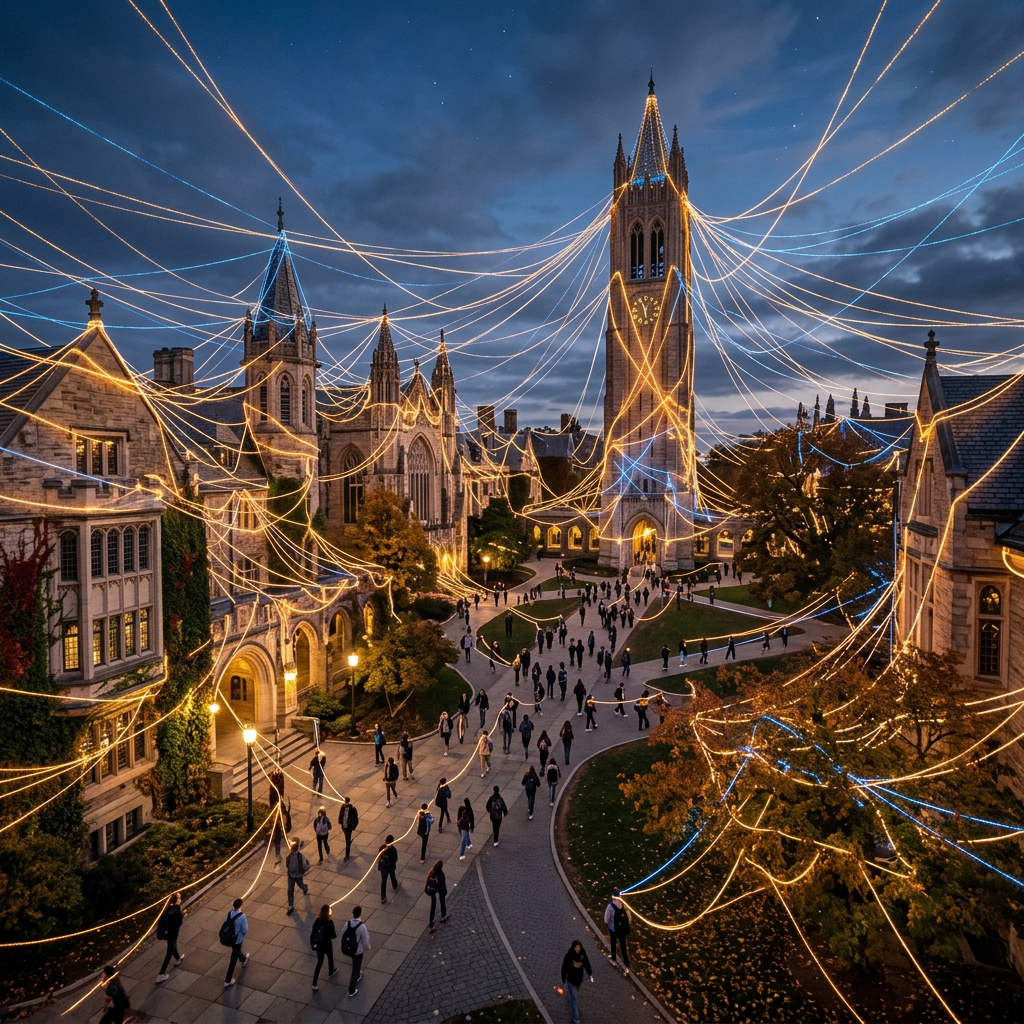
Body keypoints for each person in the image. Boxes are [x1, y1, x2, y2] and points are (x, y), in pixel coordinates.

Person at [558, 939, 594, 1024]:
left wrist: (590, 974)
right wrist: (563, 980)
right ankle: (576, 1019)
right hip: (571, 980)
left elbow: (586, 963)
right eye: (576, 947)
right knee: (574, 1001)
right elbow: (564, 968)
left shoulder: (582, 955)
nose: (577, 949)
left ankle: (570, 996)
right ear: (573, 947)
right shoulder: (569, 956)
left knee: (573, 995)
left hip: (579, 980)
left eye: (579, 947)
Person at [341, 906, 370, 997]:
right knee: (355, 967)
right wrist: (367, 947)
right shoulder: (362, 926)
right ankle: (351, 990)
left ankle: (358, 975)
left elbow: (342, 933)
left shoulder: (347, 923)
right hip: (358, 950)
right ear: (360, 914)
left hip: (350, 948)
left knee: (355, 963)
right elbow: (365, 940)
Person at [154, 892, 184, 982]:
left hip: (167, 933)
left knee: (173, 945)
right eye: (179, 897)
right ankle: (161, 974)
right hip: (172, 933)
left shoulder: (169, 909)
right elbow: (179, 922)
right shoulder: (176, 911)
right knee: (169, 952)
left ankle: (178, 958)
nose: (180, 899)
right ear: (178, 900)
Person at [222, 897, 249, 988]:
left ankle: (243, 959)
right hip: (237, 939)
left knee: (236, 950)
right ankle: (228, 980)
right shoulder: (242, 916)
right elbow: (245, 929)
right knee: (233, 959)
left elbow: (225, 923)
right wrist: (241, 935)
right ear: (240, 906)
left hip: (230, 938)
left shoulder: (229, 913)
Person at [310, 904, 338, 991]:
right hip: (327, 944)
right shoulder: (330, 922)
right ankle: (331, 970)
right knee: (330, 956)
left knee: (319, 962)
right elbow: (333, 936)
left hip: (319, 945)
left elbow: (313, 929)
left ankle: (314, 983)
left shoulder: (317, 920)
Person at [604, 891, 632, 973]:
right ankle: (627, 964)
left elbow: (606, 920)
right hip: (622, 930)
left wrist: (608, 923)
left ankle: (613, 959)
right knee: (623, 946)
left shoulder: (610, 906)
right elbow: (629, 917)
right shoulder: (624, 905)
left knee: (613, 944)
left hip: (613, 929)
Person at [286, 839, 310, 914]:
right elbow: (287, 864)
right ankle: (291, 905)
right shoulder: (289, 856)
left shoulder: (300, 856)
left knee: (301, 885)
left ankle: (305, 888)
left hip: (298, 875)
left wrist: (303, 870)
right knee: (290, 889)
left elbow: (304, 864)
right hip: (291, 875)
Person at [425, 859, 449, 933]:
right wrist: (444, 892)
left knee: (433, 905)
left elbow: (427, 882)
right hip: (438, 889)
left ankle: (431, 922)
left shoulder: (431, 872)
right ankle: (443, 916)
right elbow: (442, 885)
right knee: (442, 901)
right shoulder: (440, 874)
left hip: (431, 890)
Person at [377, 835, 399, 905]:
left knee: (384, 882)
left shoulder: (382, 847)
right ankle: (394, 885)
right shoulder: (393, 850)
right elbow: (395, 859)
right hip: (390, 867)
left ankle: (383, 897)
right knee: (392, 875)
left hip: (383, 867)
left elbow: (379, 856)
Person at [338, 797, 358, 861]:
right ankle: (349, 842)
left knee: (347, 840)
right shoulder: (342, 807)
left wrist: (354, 826)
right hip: (344, 826)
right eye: (345, 802)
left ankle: (347, 855)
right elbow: (341, 815)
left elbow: (356, 818)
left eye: (347, 802)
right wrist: (340, 821)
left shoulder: (352, 809)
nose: (345, 803)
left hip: (349, 827)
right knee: (347, 838)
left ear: (348, 802)